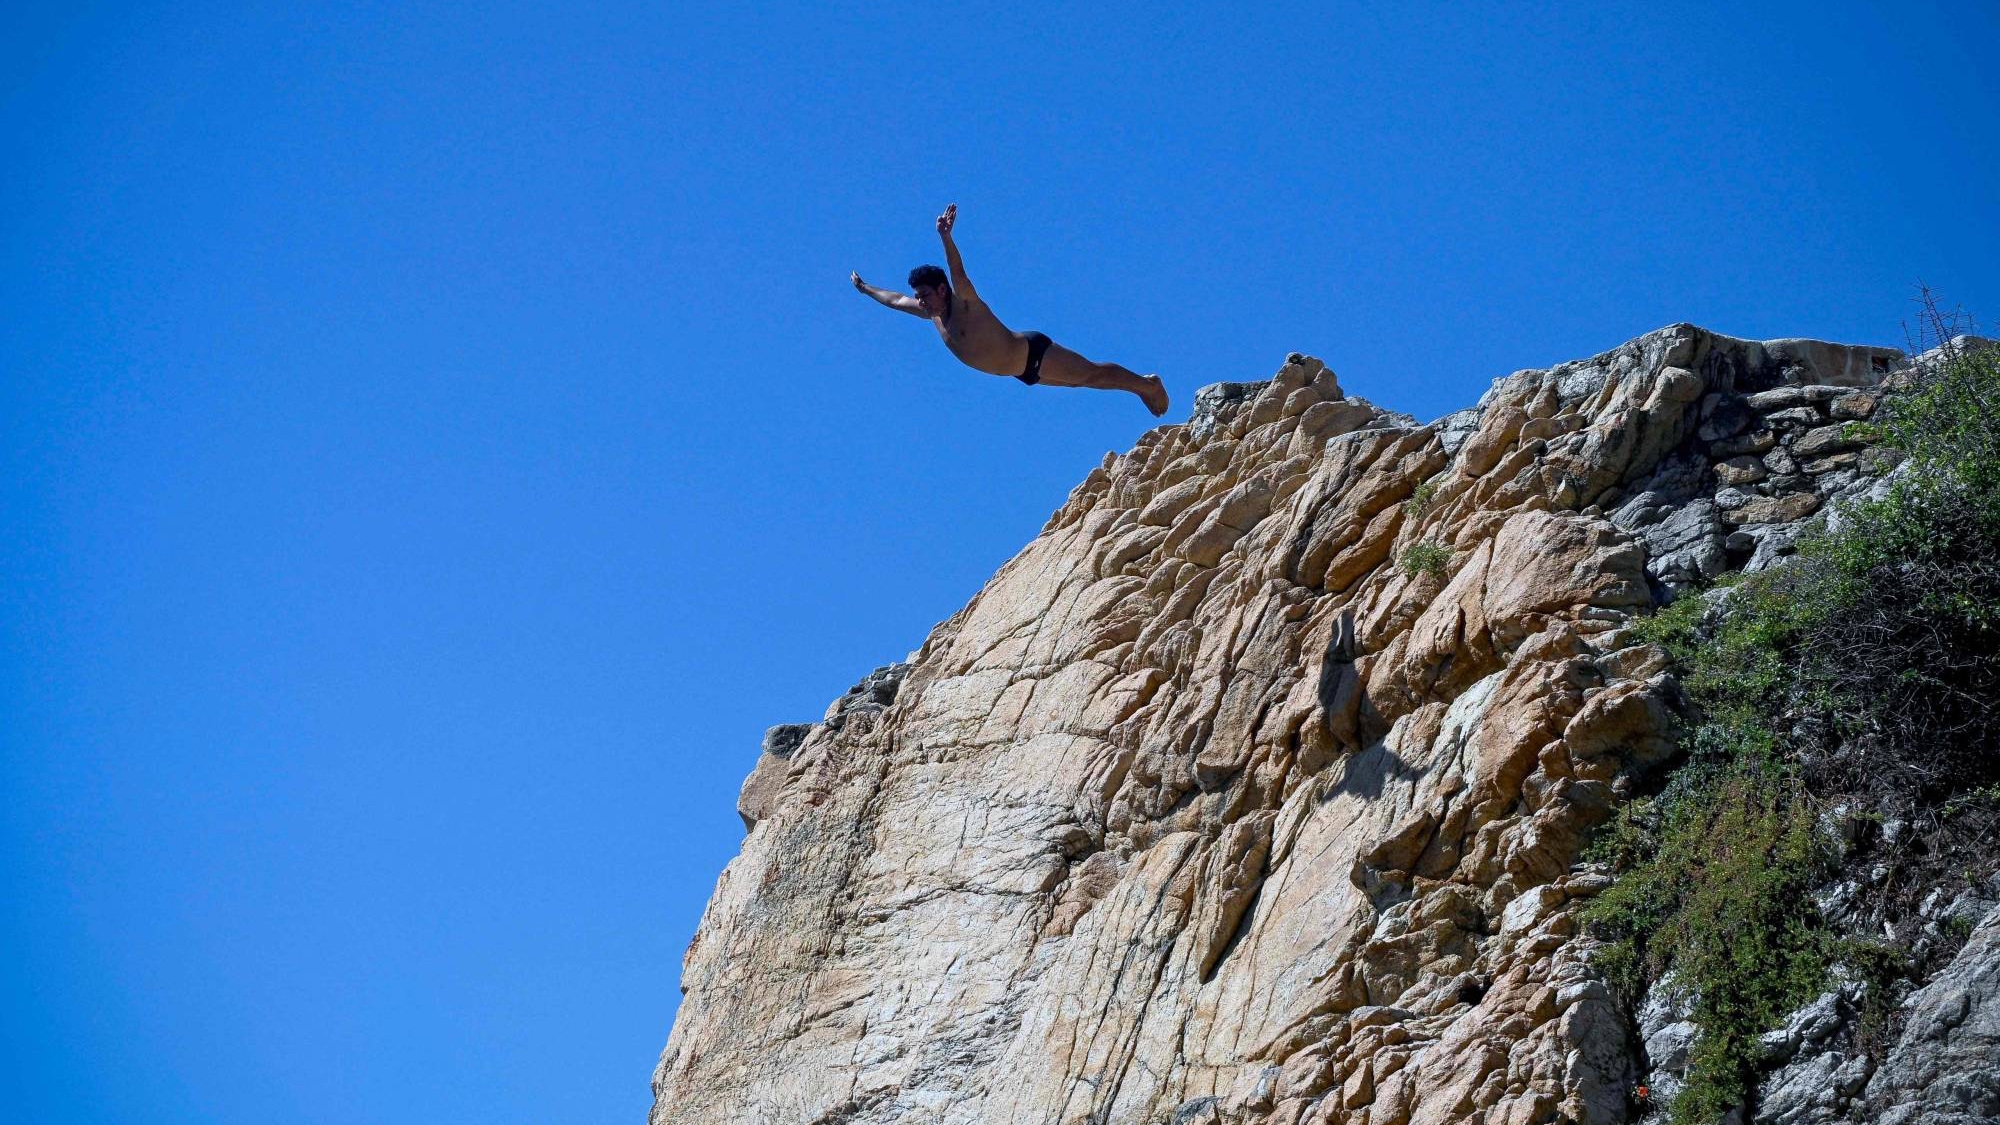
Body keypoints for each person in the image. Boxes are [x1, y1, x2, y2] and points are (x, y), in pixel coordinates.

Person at [851, 204, 1170, 416]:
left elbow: (958, 272)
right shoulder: (930, 315)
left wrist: (946, 237)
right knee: (1081, 382)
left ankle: (1147, 385)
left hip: (1032, 352)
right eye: (917, 296)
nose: (920, 300)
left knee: (1092, 374)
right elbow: (893, 300)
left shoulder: (965, 303)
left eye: (925, 295)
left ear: (942, 290)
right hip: (1020, 372)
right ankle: (1141, 385)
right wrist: (865, 289)